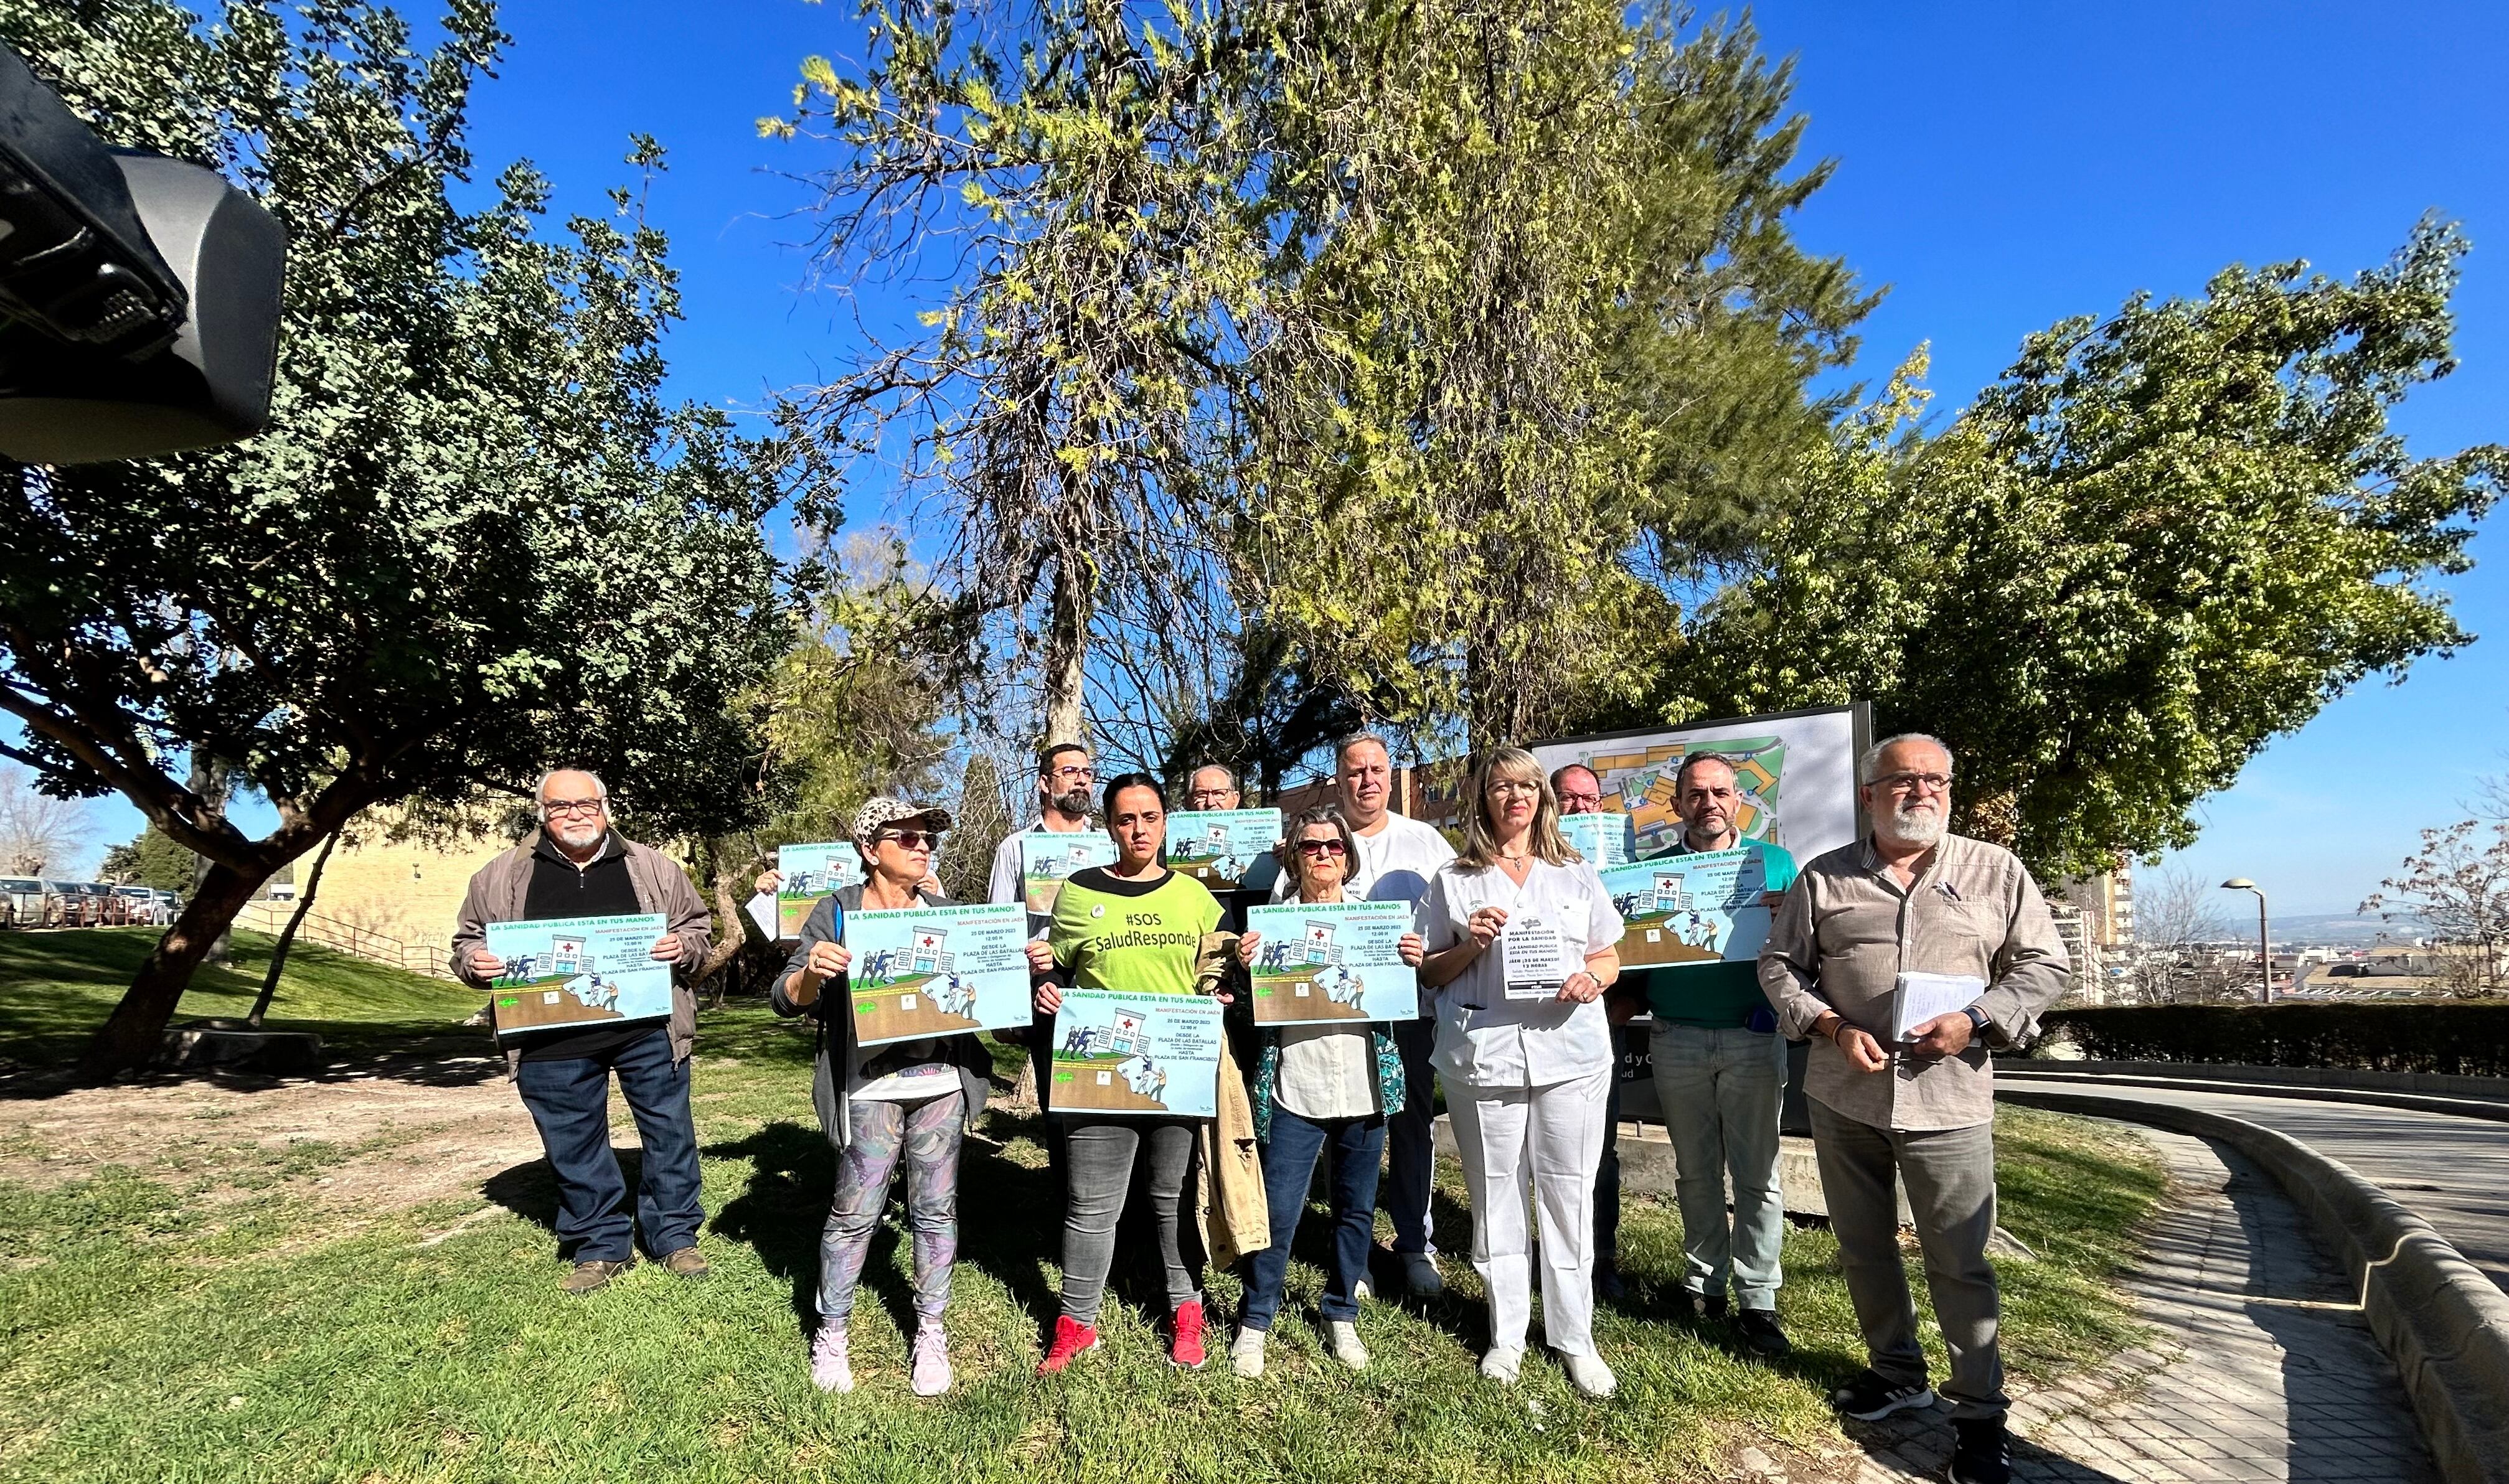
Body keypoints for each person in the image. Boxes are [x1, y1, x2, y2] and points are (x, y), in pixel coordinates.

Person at [1758, 733, 2069, 1484]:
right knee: (1863, 1248)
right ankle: (1896, 1371)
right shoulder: (1824, 877)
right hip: (1845, 1094)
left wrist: (1978, 1019)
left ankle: (1979, 1417)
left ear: (1950, 790)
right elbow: (1779, 964)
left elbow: (2045, 963)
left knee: (1959, 1260)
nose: (1921, 791)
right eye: (1903, 780)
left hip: (1950, 1098)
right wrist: (1829, 1024)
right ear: (1870, 792)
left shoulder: (1995, 871)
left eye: (1935, 780)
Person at [451, 768, 713, 1295]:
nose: (575, 814)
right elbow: (467, 942)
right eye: (559, 806)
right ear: (541, 813)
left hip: (648, 1028)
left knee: (668, 1132)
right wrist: (474, 963)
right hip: (549, 1036)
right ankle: (601, 1243)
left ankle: (674, 1235)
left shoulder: (653, 866)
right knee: (573, 1143)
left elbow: (698, 929)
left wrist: (682, 948)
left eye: (586, 804)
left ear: (606, 806)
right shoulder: (498, 876)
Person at [1418, 747, 1624, 1397]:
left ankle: (1575, 1337)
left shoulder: (1575, 872)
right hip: (1485, 1053)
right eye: (1502, 786)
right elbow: (1428, 969)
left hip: (1570, 1053)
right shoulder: (1454, 877)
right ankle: (1506, 1333)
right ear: (1483, 797)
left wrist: (1593, 977)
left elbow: (1608, 953)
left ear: (1543, 796)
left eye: (1527, 785)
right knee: (1496, 1195)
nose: (1516, 796)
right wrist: (1470, 944)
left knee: (1568, 1194)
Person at [773, 797, 996, 1397]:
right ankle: (832, 1332)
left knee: (935, 1208)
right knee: (854, 1212)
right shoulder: (837, 912)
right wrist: (813, 973)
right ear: (871, 851)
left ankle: (930, 1329)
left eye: (927, 838)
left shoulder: (949, 913)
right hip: (868, 1087)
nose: (924, 846)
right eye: (907, 837)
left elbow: (984, 994)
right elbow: (784, 996)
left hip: (940, 1086)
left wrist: (1014, 966)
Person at [1032, 773, 1253, 1373]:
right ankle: (1077, 1322)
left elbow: (1215, 975)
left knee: (1175, 1201)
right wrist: (1046, 987)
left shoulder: (1195, 899)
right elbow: (1052, 970)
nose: (1139, 830)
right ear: (1109, 826)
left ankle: (1187, 1313)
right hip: (1098, 1073)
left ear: (1164, 823)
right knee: (1089, 1205)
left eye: (1150, 818)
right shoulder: (1078, 894)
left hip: (1176, 1073)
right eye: (1126, 819)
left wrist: (1221, 992)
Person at [1229, 804, 1423, 1379]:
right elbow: (1247, 1018)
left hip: (1363, 1084)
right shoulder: (1268, 929)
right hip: (1295, 1083)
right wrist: (1245, 973)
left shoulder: (1376, 924)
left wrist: (1407, 961)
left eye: (1334, 847)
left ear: (1348, 857)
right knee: (1281, 1211)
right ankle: (1256, 1318)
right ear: (1293, 856)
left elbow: (1392, 1001)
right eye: (1311, 846)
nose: (1323, 856)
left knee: (1356, 1210)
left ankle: (1340, 1311)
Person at [1275, 731, 1457, 1298]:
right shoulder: (1315, 840)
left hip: (1407, 1014)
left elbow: (1453, 923)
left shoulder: (1425, 842)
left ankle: (1413, 1246)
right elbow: (1286, 919)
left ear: (1391, 774)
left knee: (1410, 1130)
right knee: (1340, 1132)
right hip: (1326, 1022)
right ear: (1339, 778)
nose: (1368, 780)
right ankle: (1349, 1252)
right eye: (1355, 771)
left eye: (1377, 769)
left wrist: (1425, 956)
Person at [1633, 753, 1798, 1356]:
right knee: (1695, 1169)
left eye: (1720, 792)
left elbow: (1807, 946)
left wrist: (1790, 920)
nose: (1708, 802)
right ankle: (1705, 1281)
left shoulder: (1774, 863)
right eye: (1695, 793)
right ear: (1677, 804)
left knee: (1758, 1174)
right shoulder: (1651, 872)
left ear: (1738, 800)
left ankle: (1759, 1298)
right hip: (1675, 1034)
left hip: (1753, 1033)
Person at [989, 741, 1098, 1160]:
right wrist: (1005, 1005)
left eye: (1087, 772)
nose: (1081, 779)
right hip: (1047, 984)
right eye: (1070, 771)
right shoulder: (1014, 848)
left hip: (1101, 979)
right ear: (1044, 783)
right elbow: (1001, 928)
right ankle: (1068, 1194)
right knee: (1058, 1098)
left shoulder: (1109, 846)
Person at [1550, 761, 1627, 1302]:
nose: (1580, 809)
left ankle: (1600, 1260)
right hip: (1541, 1021)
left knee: (1599, 1150)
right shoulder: (1531, 865)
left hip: (1605, 1020)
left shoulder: (1628, 865)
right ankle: (1543, 1257)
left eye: (1589, 800)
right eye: (1568, 799)